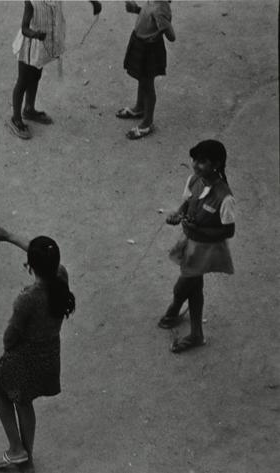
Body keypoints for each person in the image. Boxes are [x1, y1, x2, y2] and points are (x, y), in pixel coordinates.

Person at [0, 227, 75, 470]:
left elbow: (10, 336)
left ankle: (16, 448)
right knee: (24, 402)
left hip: (24, 359)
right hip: (49, 356)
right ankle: (26, 458)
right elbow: (43, 258)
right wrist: (10, 236)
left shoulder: (28, 299)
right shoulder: (61, 277)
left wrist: (7, 353)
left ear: (31, 266)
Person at [158, 140, 235, 353]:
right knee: (193, 286)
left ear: (216, 164)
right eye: (195, 160)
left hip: (206, 250)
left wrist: (200, 230)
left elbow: (228, 231)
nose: (196, 165)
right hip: (191, 242)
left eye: (202, 162)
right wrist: (179, 213)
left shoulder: (225, 197)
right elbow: (187, 202)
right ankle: (191, 329)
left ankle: (181, 319)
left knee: (183, 286)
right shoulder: (194, 180)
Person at [8, 0, 102, 139]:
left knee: (35, 77)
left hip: (41, 49)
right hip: (29, 49)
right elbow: (24, 28)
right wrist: (35, 34)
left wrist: (93, 2)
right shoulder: (31, 3)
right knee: (22, 82)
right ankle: (16, 119)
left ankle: (29, 109)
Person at [117, 1, 175, 140]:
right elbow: (149, 14)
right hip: (140, 42)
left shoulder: (160, 8)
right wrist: (136, 9)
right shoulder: (153, 2)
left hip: (149, 49)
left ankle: (147, 123)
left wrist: (157, 33)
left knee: (147, 85)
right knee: (142, 79)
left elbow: (171, 36)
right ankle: (139, 108)